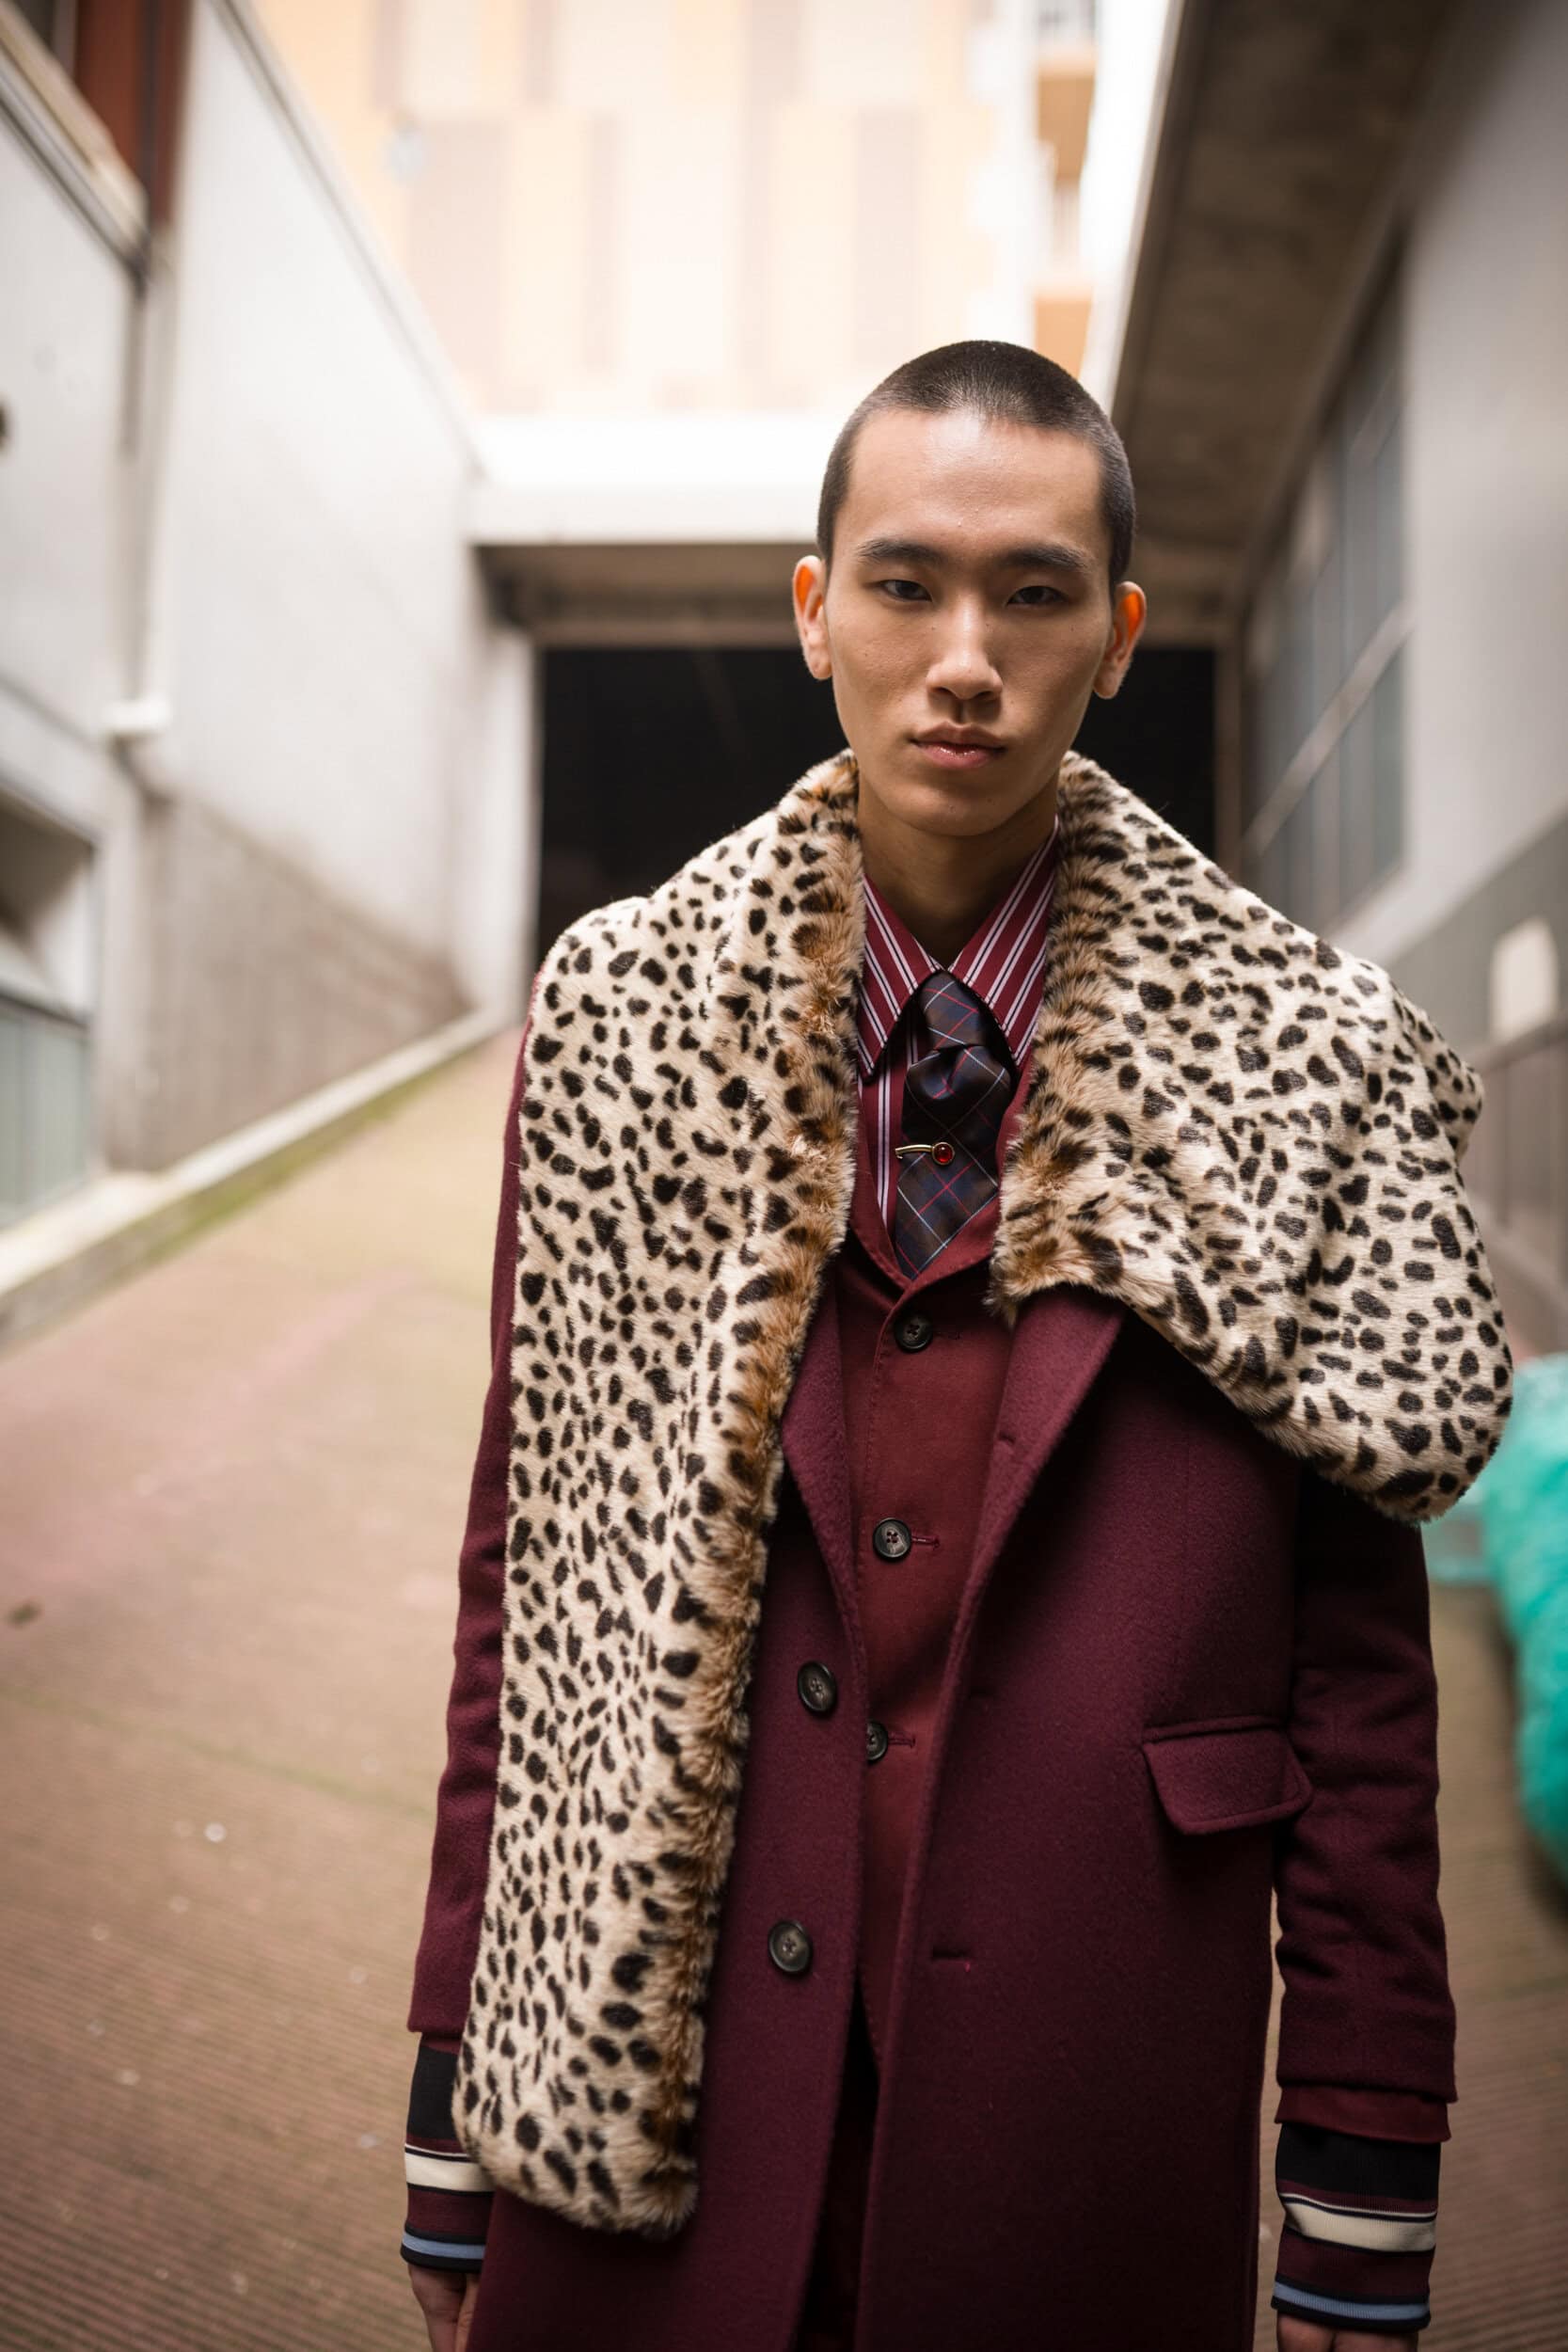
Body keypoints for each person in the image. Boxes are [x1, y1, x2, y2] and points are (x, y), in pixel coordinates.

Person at [400, 342, 1510, 2352]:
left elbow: (1359, 1665)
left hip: (1087, 2092)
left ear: (1121, 636)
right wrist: (452, 2087)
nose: (966, 661)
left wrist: (1364, 2154)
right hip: (656, 2098)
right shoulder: (624, 1024)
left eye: (1034, 593)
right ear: (814, 609)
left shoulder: (1307, 1072)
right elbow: (529, 1570)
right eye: (905, 585)